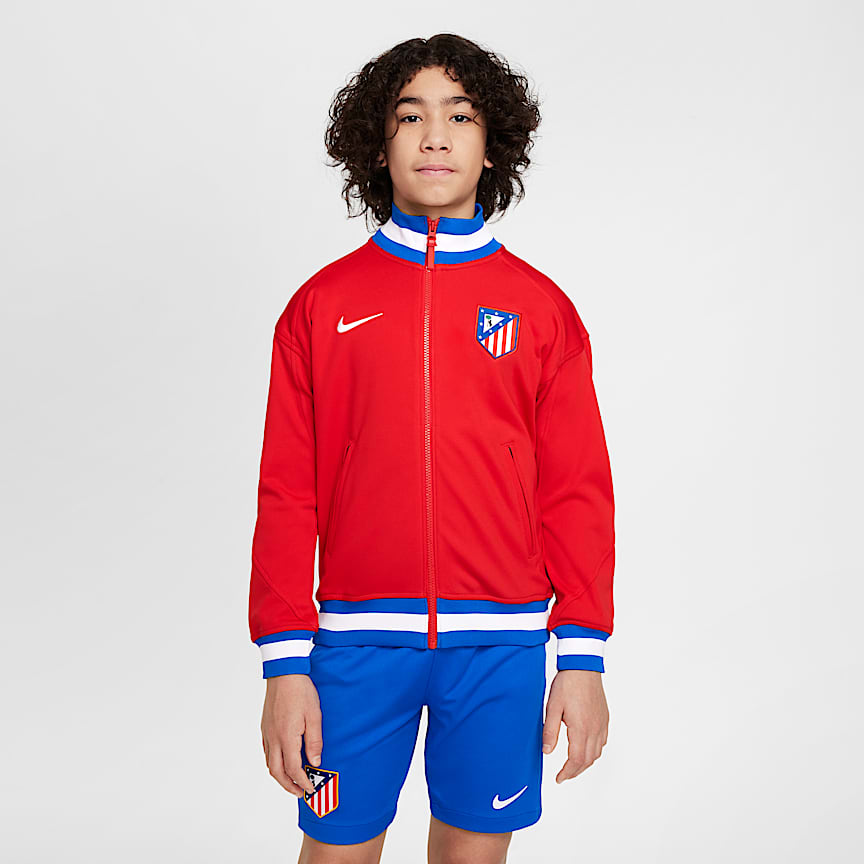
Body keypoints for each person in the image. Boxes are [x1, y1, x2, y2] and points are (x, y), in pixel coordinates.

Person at [249, 33, 615, 864]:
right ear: (378, 144)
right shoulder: (320, 307)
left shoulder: (541, 310)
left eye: (461, 115)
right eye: (410, 116)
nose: (436, 136)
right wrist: (284, 663)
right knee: (336, 847)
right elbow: (286, 493)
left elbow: (576, 491)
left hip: (501, 648)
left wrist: (582, 655)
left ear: (492, 144)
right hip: (352, 649)